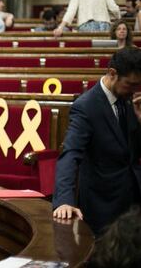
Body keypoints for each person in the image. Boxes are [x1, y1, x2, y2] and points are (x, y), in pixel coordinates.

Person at [52, 47, 141, 236]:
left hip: (133, 199)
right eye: (131, 85)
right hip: (104, 203)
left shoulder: (127, 98)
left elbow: (132, 150)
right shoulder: (86, 106)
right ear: (112, 74)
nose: (135, 91)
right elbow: (70, 154)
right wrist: (64, 200)